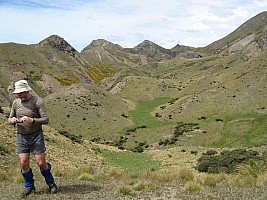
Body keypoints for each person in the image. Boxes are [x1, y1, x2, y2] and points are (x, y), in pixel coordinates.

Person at [8, 80, 57, 197]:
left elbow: (46, 119)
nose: (18, 95)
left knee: (41, 162)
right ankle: (29, 186)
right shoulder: (15, 103)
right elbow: (9, 118)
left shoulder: (37, 101)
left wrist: (32, 120)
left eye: (21, 93)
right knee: (23, 163)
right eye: (17, 93)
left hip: (36, 136)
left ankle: (51, 183)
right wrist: (12, 120)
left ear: (27, 91)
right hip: (21, 136)